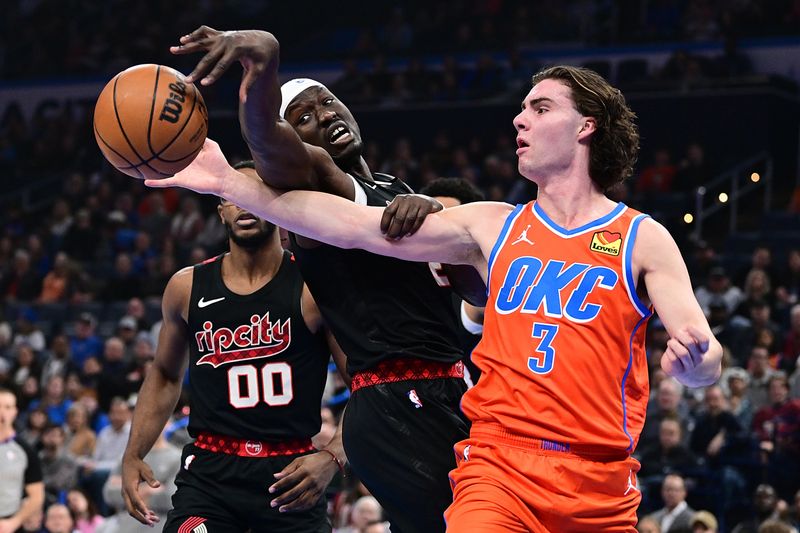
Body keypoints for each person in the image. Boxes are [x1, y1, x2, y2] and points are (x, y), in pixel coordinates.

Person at [152, 61, 723, 530]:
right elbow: (343, 223)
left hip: (597, 474)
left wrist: (695, 362)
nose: (519, 118)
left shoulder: (643, 237)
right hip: (496, 462)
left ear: (586, 126)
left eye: (539, 108)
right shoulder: (492, 225)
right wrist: (230, 182)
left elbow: (705, 357)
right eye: (521, 107)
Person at [169, 28, 471, 533]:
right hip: (400, 399)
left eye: (328, 103)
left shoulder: (391, 187)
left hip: (449, 387)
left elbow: (470, 288)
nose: (325, 116)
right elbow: (270, 143)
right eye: (304, 117)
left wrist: (438, 215)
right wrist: (261, 70)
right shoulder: (319, 186)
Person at [122, 163, 348, 533]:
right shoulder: (186, 287)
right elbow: (164, 375)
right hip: (210, 474)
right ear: (221, 210)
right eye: (232, 196)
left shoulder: (313, 287)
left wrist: (333, 456)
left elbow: (366, 383)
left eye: (254, 193)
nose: (243, 205)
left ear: (278, 202)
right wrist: (133, 453)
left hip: (290, 472)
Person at [0, 386, 45, 533]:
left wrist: (14, 522)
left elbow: (37, 496)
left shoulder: (25, 451)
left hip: (7, 522)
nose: (1, 412)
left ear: (15, 412)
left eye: (7, 407)